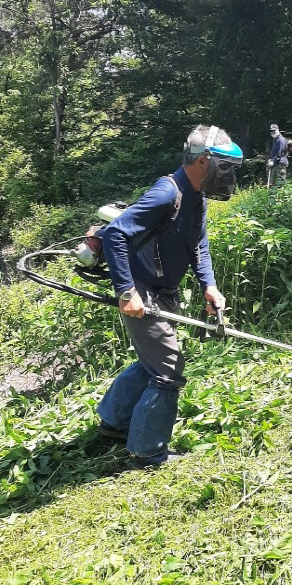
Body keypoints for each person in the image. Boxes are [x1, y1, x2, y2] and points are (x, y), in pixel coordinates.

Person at [96, 124, 243, 467]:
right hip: (141, 291)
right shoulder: (167, 193)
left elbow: (198, 245)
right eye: (226, 168)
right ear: (204, 162)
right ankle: (147, 453)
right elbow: (116, 234)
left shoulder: (196, 197)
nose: (229, 176)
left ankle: (114, 424)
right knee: (168, 371)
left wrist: (209, 284)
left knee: (153, 363)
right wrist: (126, 292)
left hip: (162, 291)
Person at [267, 123, 288, 187]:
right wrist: (272, 159)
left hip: (280, 163)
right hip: (276, 163)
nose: (272, 132)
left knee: (280, 182)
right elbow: (275, 152)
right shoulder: (275, 139)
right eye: (271, 131)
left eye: (274, 131)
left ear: (278, 130)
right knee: (272, 182)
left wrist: (273, 161)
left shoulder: (281, 140)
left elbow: (280, 153)